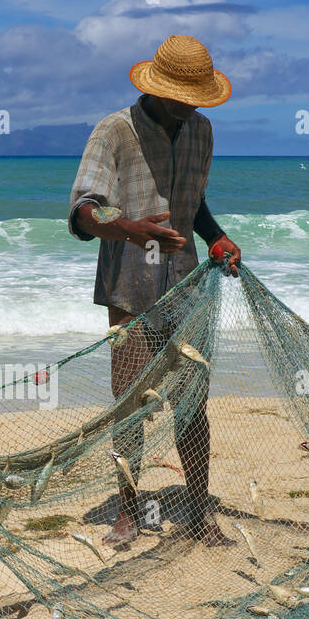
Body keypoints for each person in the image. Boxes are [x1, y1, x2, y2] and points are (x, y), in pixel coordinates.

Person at [68, 34, 243, 548]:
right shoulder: (114, 132)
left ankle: (197, 511)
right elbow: (83, 212)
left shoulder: (201, 130)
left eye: (197, 99)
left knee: (193, 400)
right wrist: (129, 229)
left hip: (190, 284)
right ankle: (126, 512)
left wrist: (215, 236)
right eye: (182, 97)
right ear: (157, 88)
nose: (190, 107)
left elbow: (194, 201)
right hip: (129, 288)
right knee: (131, 403)